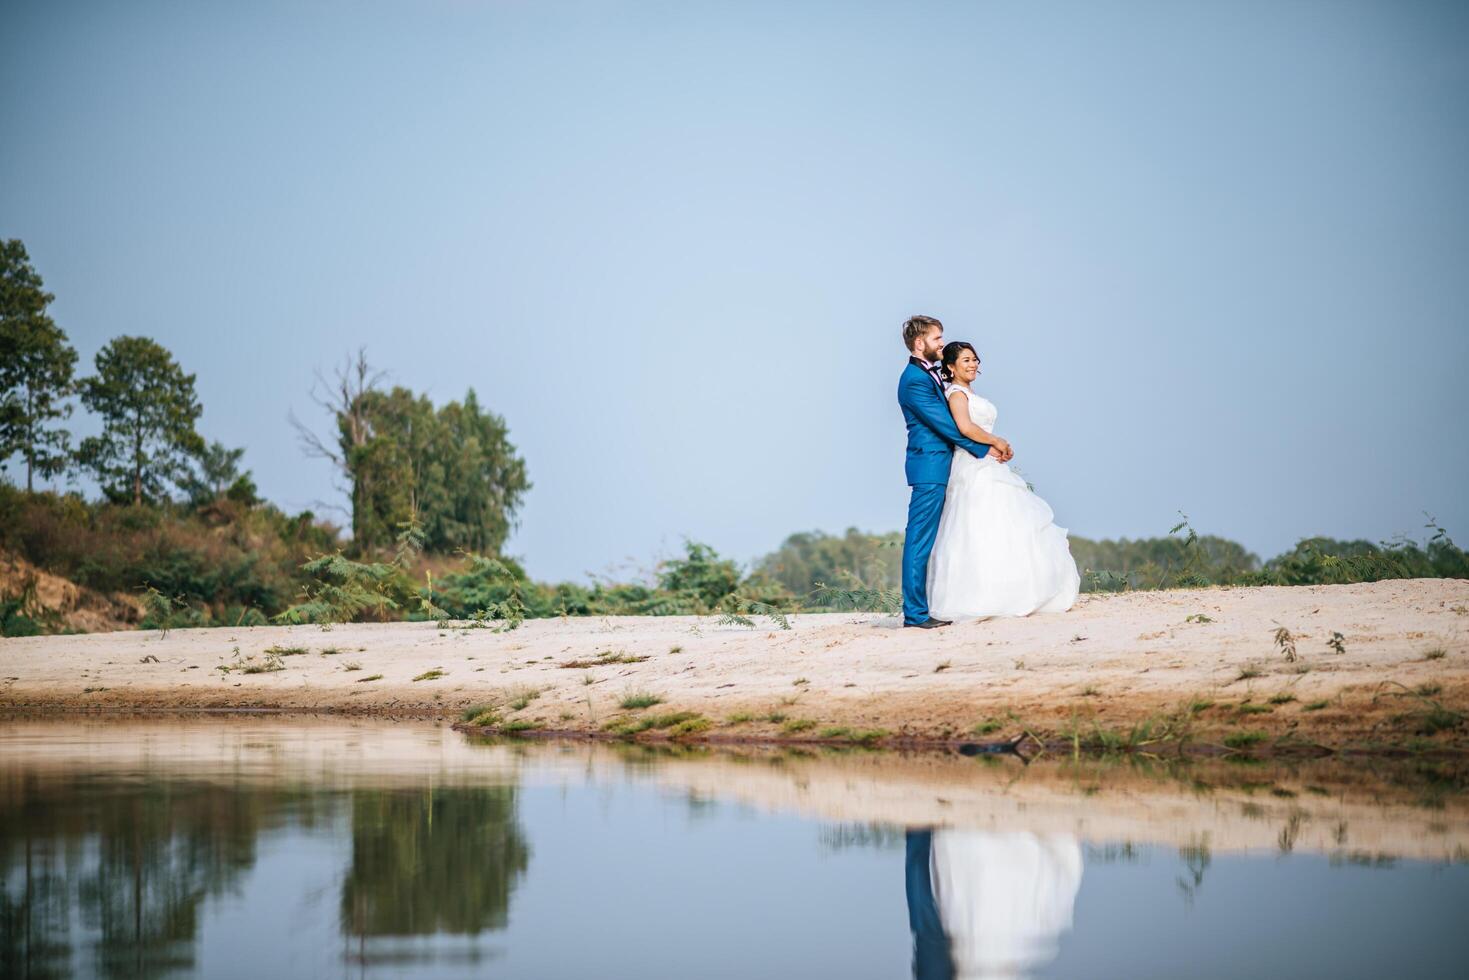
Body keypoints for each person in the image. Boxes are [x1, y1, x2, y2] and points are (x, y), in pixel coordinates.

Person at [927, 341, 1080, 619]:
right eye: (965, 360)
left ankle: (1013, 588)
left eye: (974, 359)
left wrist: (995, 446)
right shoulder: (957, 395)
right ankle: (981, 595)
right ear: (950, 367)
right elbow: (965, 427)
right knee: (977, 525)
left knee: (1004, 521)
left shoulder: (970, 392)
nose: (973, 365)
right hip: (972, 463)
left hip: (986, 458)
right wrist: (996, 440)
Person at [896, 315, 993, 629]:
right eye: (937, 339)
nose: (942, 344)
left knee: (936, 539)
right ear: (920, 342)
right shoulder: (913, 380)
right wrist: (987, 446)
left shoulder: (930, 374)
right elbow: (947, 424)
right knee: (919, 540)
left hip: (941, 465)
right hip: (929, 466)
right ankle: (915, 614)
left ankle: (929, 606)